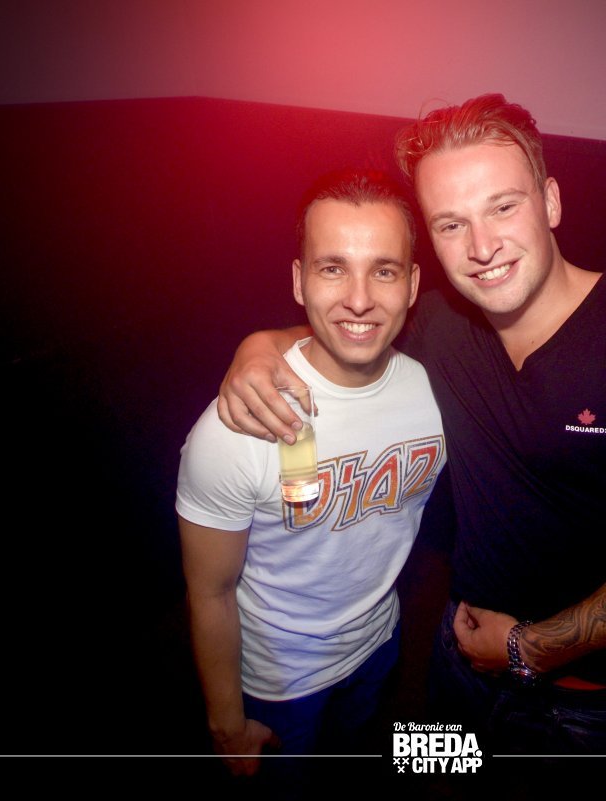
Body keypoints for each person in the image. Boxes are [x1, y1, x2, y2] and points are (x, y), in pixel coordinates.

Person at [216, 95, 606, 798]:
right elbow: (348, 324)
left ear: (550, 201)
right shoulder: (440, 322)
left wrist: (530, 648)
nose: (481, 246)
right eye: (451, 223)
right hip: (454, 660)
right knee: (436, 783)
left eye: (503, 207)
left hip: (579, 708)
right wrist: (258, 346)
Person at [176, 169, 446, 797]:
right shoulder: (237, 427)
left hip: (381, 646)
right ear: (299, 281)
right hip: (279, 683)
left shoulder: (439, 391)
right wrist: (226, 723)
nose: (359, 298)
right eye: (332, 268)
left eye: (383, 270)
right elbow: (209, 592)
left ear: (412, 284)